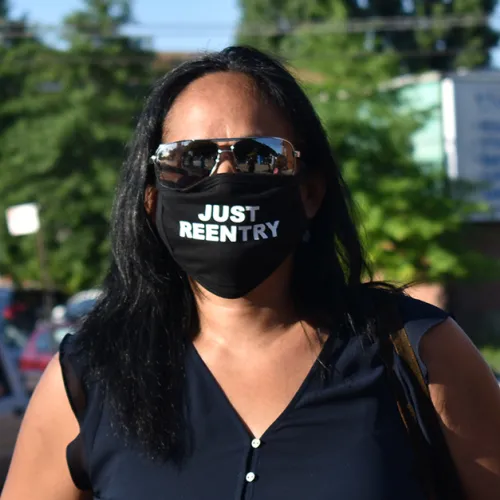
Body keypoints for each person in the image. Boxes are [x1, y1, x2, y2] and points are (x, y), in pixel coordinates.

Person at [3, 46, 500, 500]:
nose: (224, 178)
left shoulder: (417, 354)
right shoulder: (90, 376)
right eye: (191, 159)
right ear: (153, 201)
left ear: (309, 193)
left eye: (258, 157)